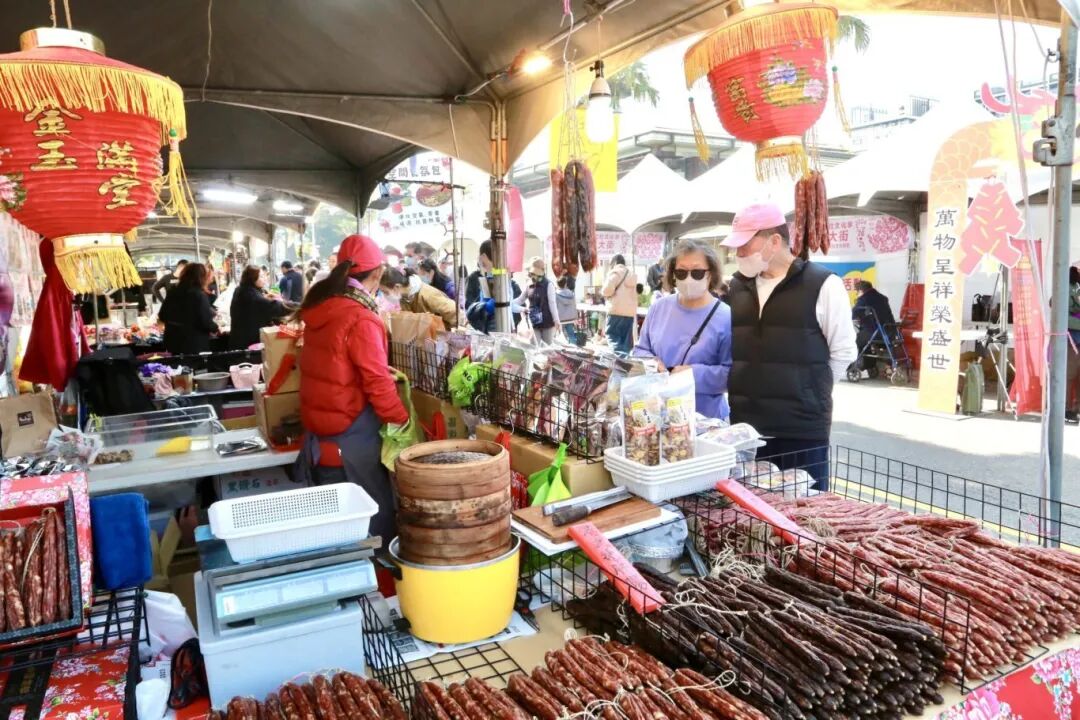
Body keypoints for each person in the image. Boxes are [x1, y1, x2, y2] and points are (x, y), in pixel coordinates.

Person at [722, 203, 857, 491]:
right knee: (750, 518)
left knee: (805, 517)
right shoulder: (737, 287)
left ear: (774, 241)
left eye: (746, 244)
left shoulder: (823, 284)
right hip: (746, 429)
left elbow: (843, 352)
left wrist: (809, 389)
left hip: (802, 429)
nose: (739, 254)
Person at [294, 234, 409, 550]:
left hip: (319, 438)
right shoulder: (360, 316)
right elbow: (375, 381)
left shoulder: (322, 306)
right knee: (374, 525)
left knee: (335, 534)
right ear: (376, 275)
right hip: (349, 440)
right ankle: (374, 592)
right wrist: (402, 421)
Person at [634, 239, 732, 419]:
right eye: (681, 272)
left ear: (711, 274)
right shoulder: (658, 308)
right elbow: (640, 349)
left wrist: (693, 374)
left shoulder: (725, 317)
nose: (688, 279)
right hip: (657, 414)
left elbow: (731, 374)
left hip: (705, 420)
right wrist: (652, 364)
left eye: (697, 272)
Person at [158, 263, 219, 354]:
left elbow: (162, 315)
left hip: (173, 343)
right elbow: (206, 322)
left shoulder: (173, 291)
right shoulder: (198, 295)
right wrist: (216, 328)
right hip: (193, 345)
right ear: (201, 277)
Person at [464, 239, 522, 333]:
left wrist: (479, 309)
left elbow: (494, 304)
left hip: (495, 327)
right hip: (499, 326)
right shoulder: (498, 274)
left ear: (483, 256)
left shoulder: (496, 277)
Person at [229, 266, 292, 350]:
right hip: (248, 345)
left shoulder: (240, 289)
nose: (265, 278)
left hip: (238, 339)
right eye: (261, 276)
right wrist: (300, 305)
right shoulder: (252, 296)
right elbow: (276, 307)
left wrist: (264, 297)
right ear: (253, 279)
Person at [381, 266, 459, 328]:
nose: (385, 296)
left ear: (397, 287)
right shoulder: (404, 298)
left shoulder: (427, 294)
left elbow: (454, 312)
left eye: (386, 292)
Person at [852, 280, 896, 371]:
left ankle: (862, 366)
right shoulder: (883, 298)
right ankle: (870, 366)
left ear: (860, 291)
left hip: (876, 332)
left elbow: (854, 314)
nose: (857, 294)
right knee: (865, 337)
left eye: (857, 292)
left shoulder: (864, 299)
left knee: (857, 340)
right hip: (890, 331)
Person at [602, 254, 638, 354]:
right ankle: (626, 363)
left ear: (614, 262)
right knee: (626, 342)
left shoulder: (615, 273)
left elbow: (606, 290)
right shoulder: (631, 275)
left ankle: (620, 362)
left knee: (613, 337)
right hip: (629, 313)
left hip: (616, 311)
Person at [524, 256, 559, 344]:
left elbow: (552, 304)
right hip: (534, 321)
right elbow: (521, 299)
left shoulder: (549, 284)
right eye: (532, 273)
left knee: (547, 349)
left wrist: (556, 320)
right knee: (534, 348)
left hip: (547, 322)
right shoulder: (529, 284)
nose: (533, 275)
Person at [1066, 266, 1080, 424]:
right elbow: (1056, 307)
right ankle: (1067, 408)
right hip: (1071, 339)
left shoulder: (1077, 287)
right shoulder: (1063, 288)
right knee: (1069, 375)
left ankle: (1076, 408)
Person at [556, 275, 579, 344]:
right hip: (570, 318)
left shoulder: (555, 294)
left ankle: (563, 351)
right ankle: (574, 349)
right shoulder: (571, 294)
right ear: (566, 284)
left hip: (560, 319)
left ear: (557, 284)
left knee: (560, 337)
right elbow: (574, 306)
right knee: (571, 335)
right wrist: (576, 317)